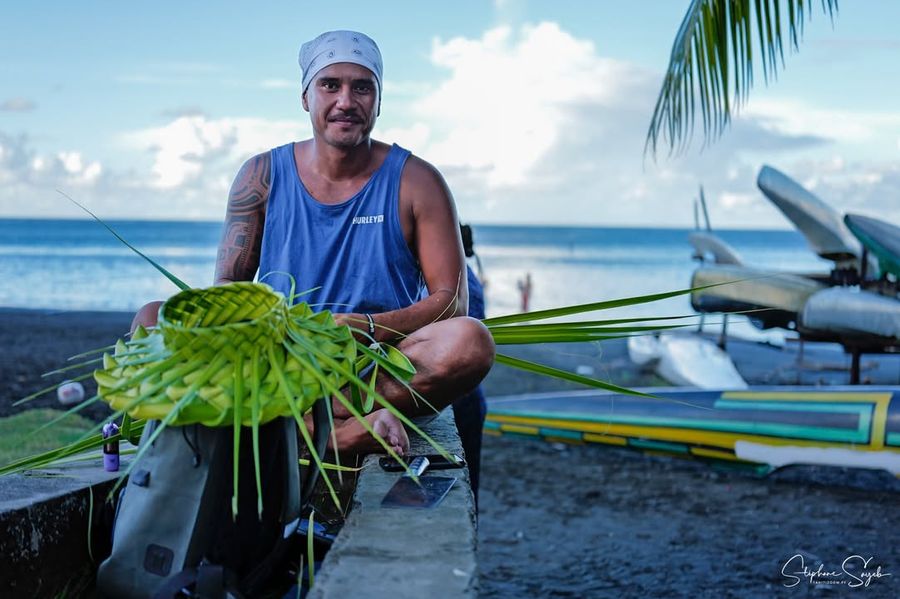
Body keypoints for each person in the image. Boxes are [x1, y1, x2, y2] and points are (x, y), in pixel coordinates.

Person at [131, 30, 495, 456]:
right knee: (152, 319)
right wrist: (278, 339)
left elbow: (452, 303)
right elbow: (227, 295)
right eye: (330, 85)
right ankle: (338, 435)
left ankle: (297, 426)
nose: (346, 100)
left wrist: (364, 326)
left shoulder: (418, 180)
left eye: (362, 87)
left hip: (375, 364)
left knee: (470, 342)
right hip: (276, 362)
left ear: (379, 101)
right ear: (306, 97)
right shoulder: (260, 175)